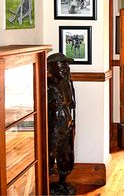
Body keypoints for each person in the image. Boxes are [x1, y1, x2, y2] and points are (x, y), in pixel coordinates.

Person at [48, 53, 76, 195]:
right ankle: (45, 183)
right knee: (51, 154)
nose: (65, 72)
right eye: (62, 69)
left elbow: (70, 104)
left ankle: (62, 182)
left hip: (67, 125)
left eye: (67, 69)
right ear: (52, 69)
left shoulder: (67, 83)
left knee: (66, 155)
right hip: (54, 128)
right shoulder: (47, 86)